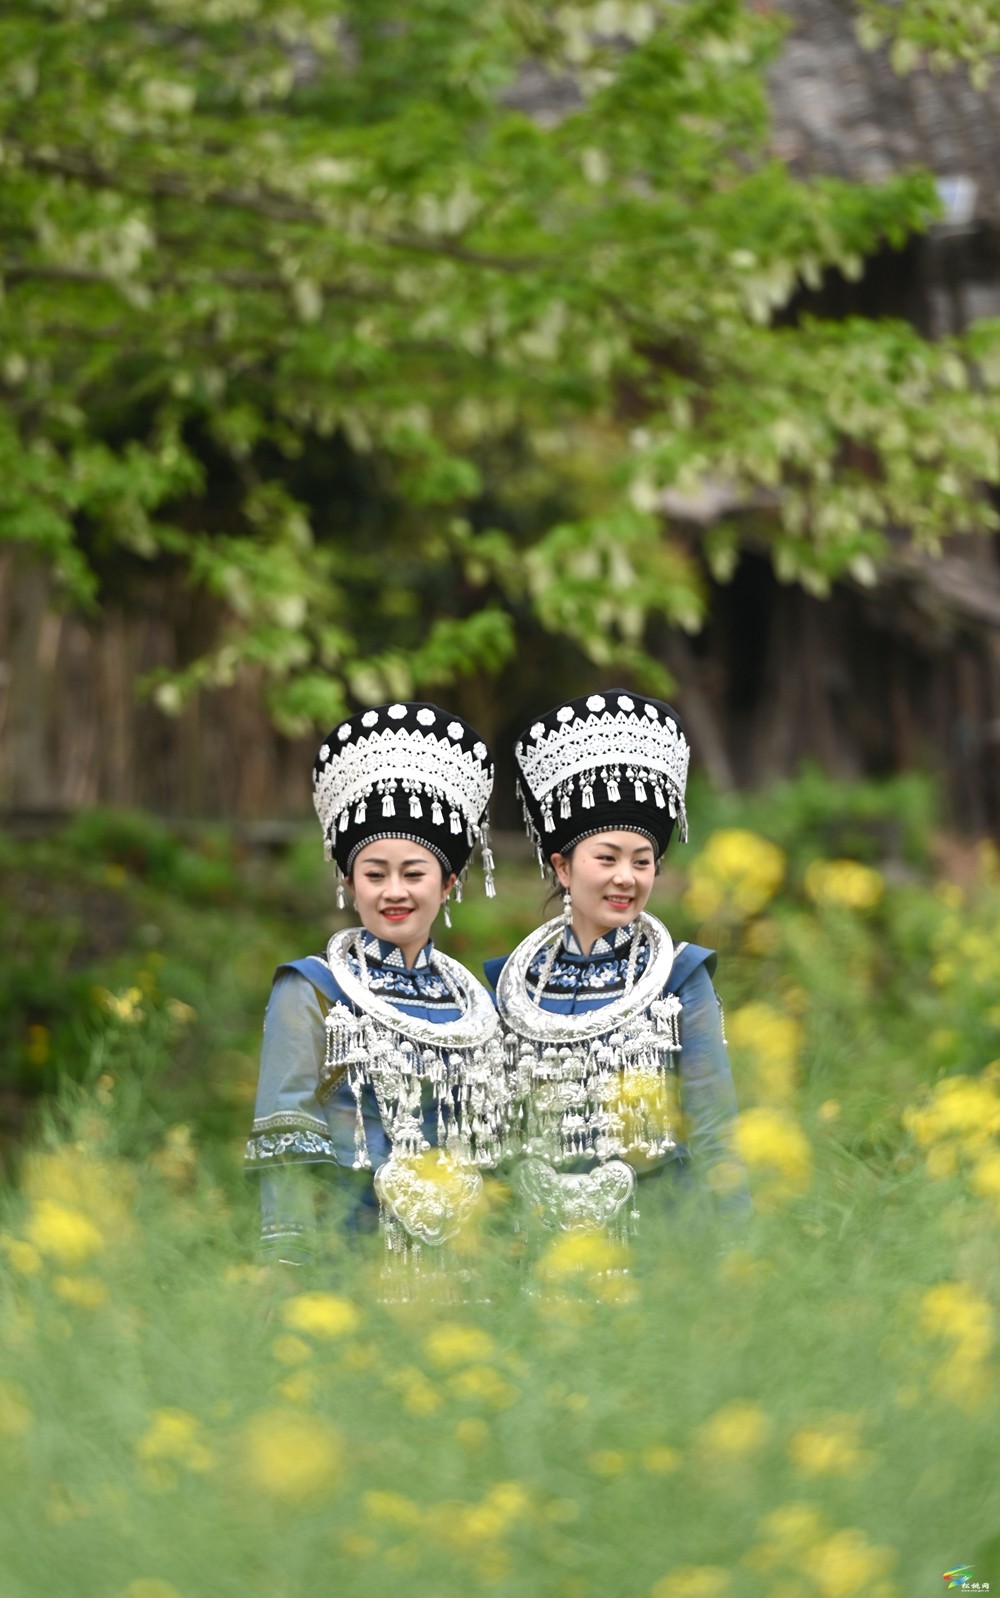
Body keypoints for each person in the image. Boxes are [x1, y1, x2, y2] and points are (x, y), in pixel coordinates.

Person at [245, 702, 508, 1282]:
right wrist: (288, 1269)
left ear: (449, 884)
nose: (394, 891)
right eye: (374, 873)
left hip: (468, 1275)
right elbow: (286, 1139)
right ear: (348, 882)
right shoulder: (311, 989)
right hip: (345, 1269)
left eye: (414, 873)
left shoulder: (480, 1007)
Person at [484, 689, 749, 1240]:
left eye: (642, 860)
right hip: (537, 1248)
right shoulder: (510, 987)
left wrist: (738, 1262)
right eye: (605, 858)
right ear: (563, 866)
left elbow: (715, 1132)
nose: (625, 877)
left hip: (660, 1249)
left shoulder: (681, 979)